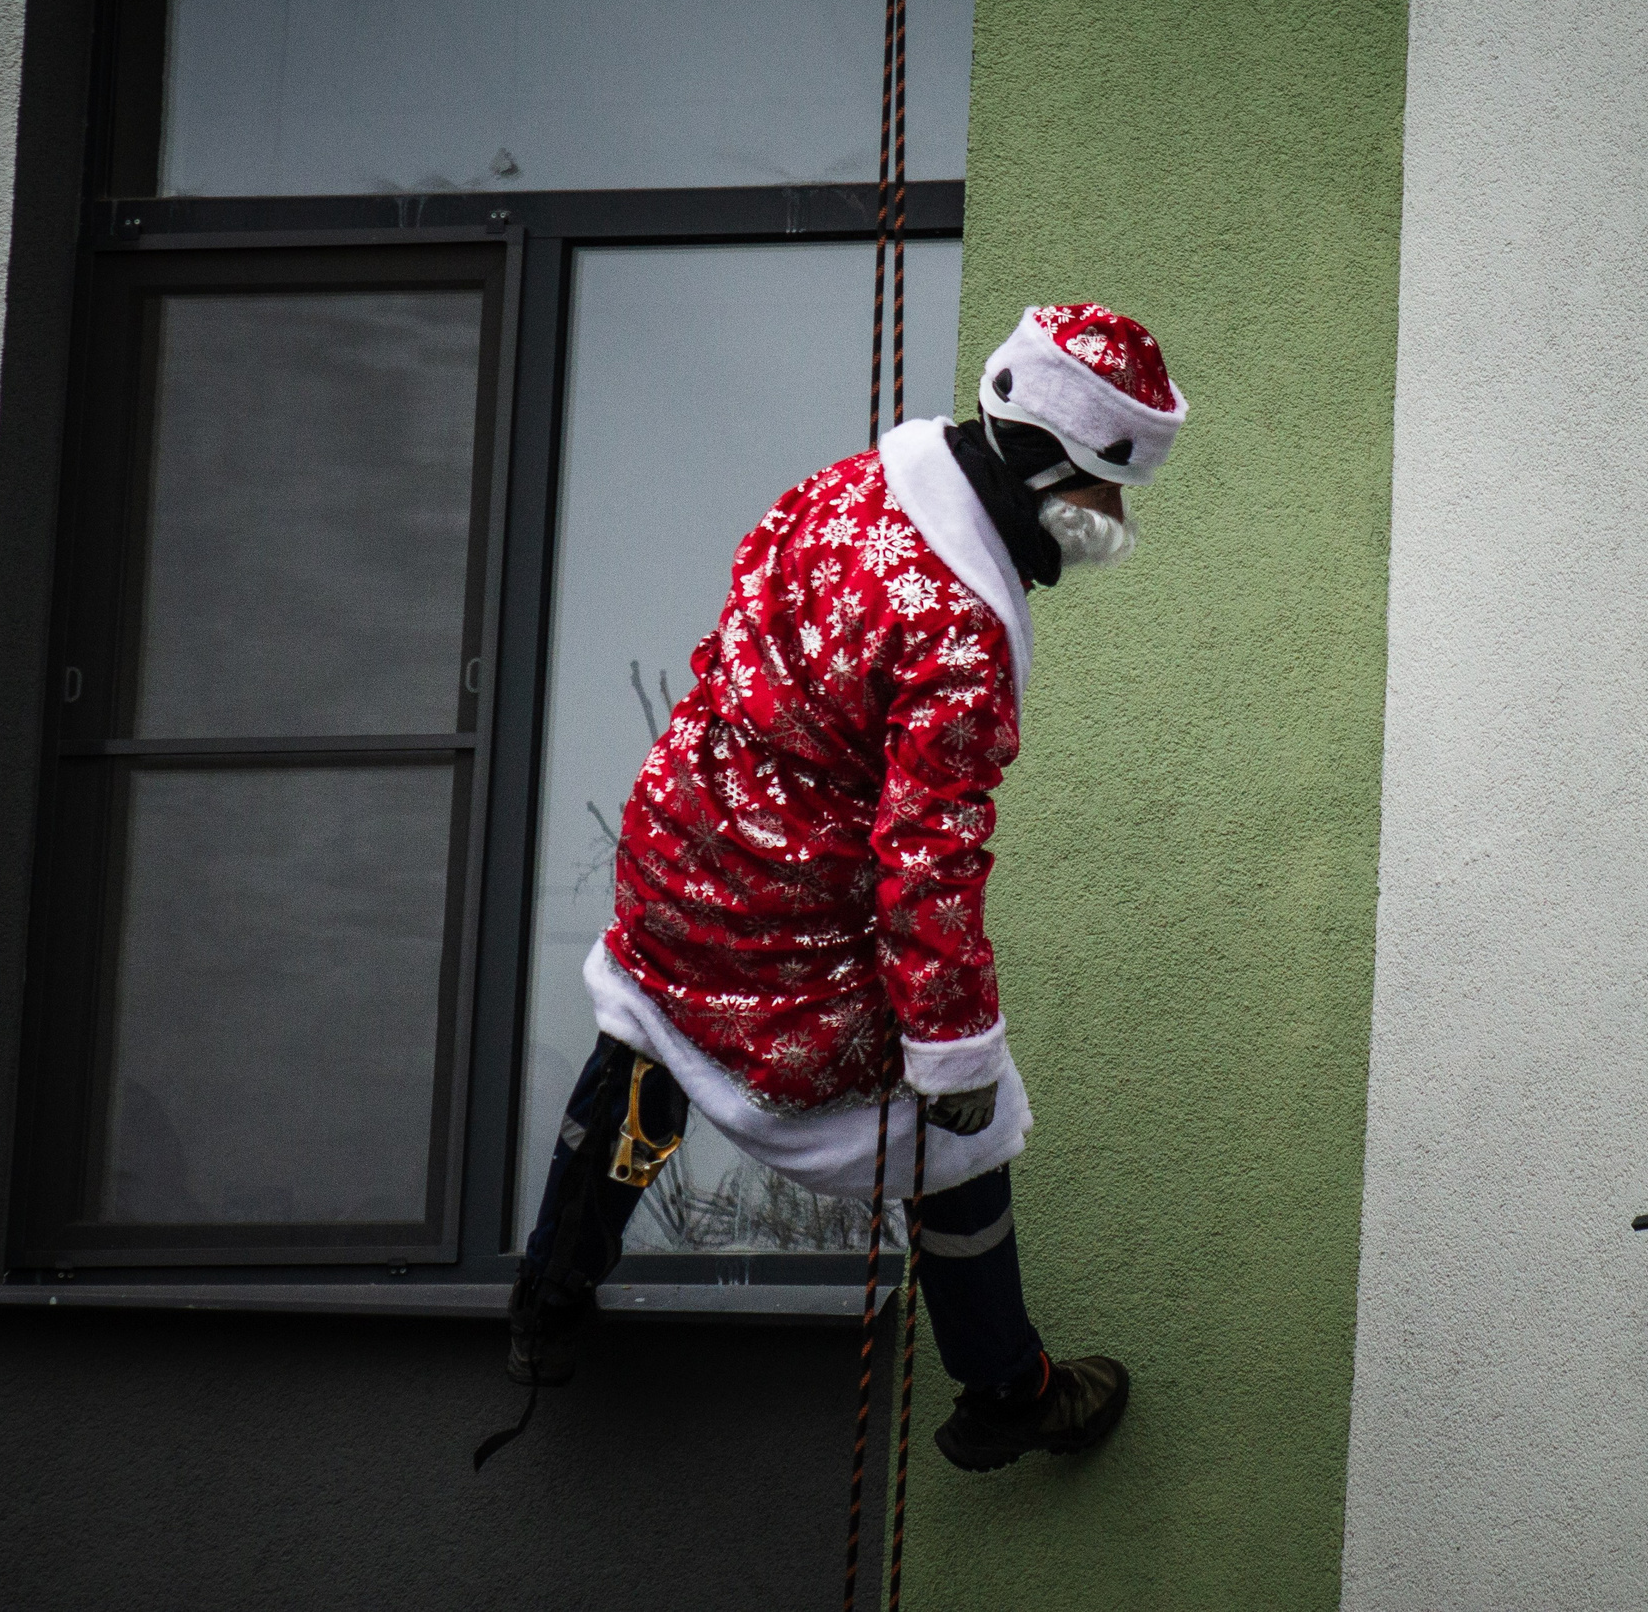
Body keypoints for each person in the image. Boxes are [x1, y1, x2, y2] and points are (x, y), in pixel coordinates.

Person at [508, 303, 1188, 1472]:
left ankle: (547, 1301)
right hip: (786, 929)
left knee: (648, 1035)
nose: (1112, 525)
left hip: (681, 849)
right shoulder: (961, 636)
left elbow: (736, 644)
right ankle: (1006, 1390)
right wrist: (954, 1055)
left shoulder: (834, 490)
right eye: (1105, 491)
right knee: (958, 1141)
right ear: (1044, 464)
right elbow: (928, 866)